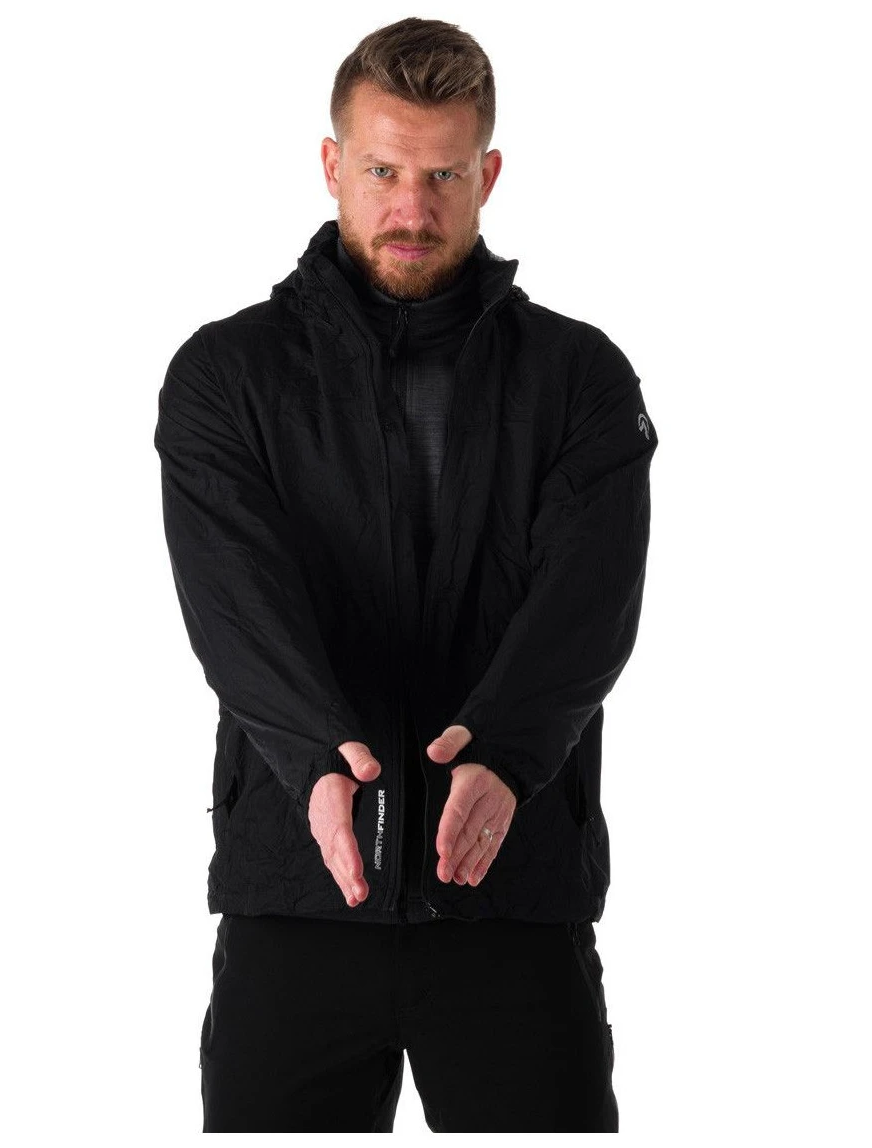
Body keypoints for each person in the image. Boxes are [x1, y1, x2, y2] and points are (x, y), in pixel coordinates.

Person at [153, 16, 658, 1133]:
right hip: (299, 884)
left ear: (488, 175)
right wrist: (321, 760)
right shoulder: (225, 376)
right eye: (383, 171)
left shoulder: (578, 377)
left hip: (512, 887)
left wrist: (502, 756)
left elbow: (588, 602)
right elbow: (235, 603)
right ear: (332, 164)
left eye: (442, 176)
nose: (411, 209)